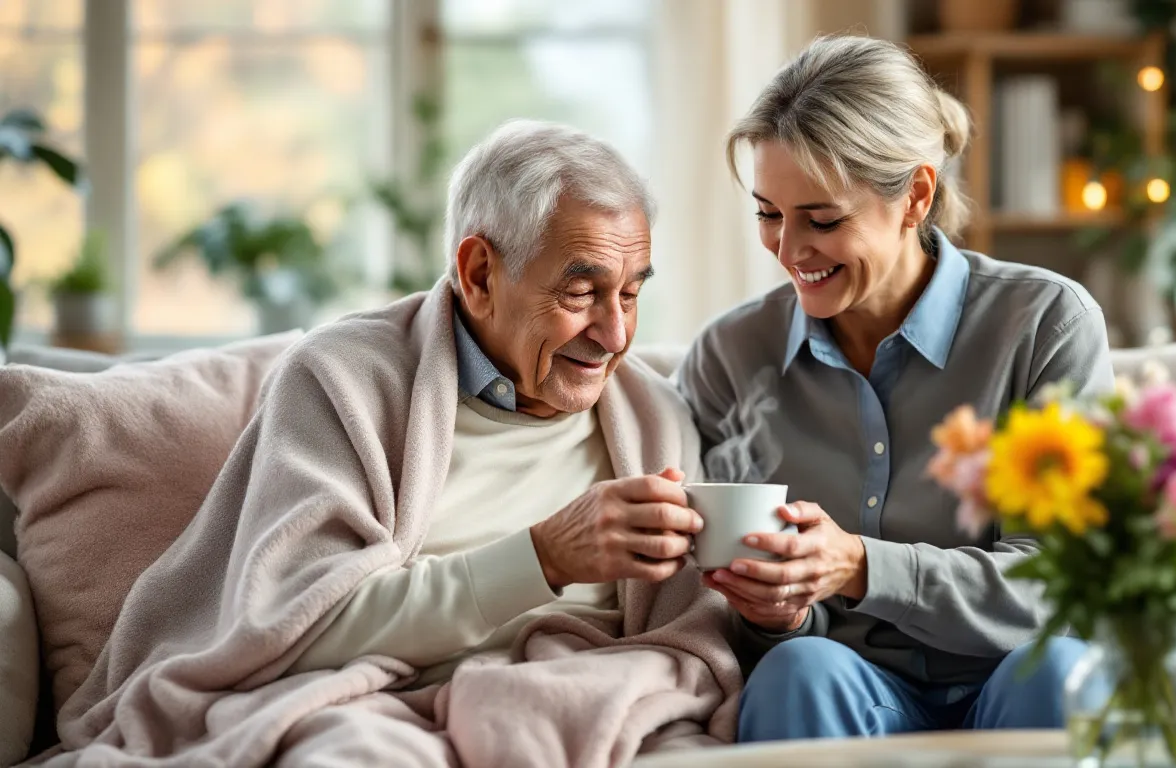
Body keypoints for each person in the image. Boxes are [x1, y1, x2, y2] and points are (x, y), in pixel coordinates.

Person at [52, 121, 737, 766]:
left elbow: (690, 639)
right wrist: (544, 556)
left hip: (589, 697)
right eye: (582, 292)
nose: (616, 334)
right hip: (367, 702)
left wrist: (777, 599)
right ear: (478, 274)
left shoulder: (653, 414)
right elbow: (296, 626)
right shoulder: (346, 382)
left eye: (631, 294)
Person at [676, 35, 1115, 742]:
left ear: (916, 196)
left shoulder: (1044, 326)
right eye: (767, 214)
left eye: (822, 220)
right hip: (847, 689)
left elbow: (1065, 588)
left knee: (1059, 670)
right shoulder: (730, 359)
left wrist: (859, 564)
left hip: (1018, 676)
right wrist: (778, 610)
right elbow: (725, 608)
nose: (788, 251)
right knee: (798, 669)